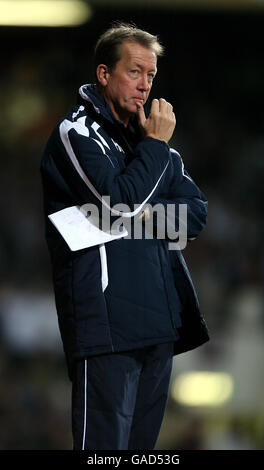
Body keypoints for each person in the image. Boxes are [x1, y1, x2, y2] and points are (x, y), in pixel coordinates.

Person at [40, 22, 209, 450]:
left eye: (151, 76)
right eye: (135, 72)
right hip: (107, 324)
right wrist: (152, 153)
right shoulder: (76, 134)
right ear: (104, 73)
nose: (144, 85)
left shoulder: (152, 144)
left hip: (159, 324)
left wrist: (142, 206)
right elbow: (117, 202)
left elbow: (194, 217)